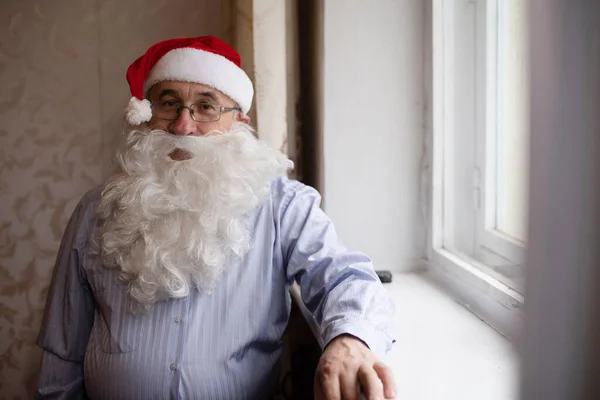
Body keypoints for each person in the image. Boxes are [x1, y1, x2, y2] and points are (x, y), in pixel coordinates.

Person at [35, 36, 396, 400]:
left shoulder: (283, 206)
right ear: (147, 113)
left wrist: (350, 338)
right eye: (169, 103)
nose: (182, 126)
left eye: (205, 107)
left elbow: (344, 276)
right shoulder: (95, 210)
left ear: (239, 121)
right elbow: (62, 355)